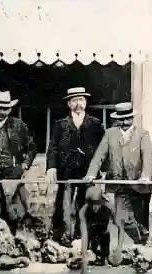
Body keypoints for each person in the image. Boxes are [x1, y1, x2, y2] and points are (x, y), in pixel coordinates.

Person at [85, 102, 152, 245]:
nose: (124, 122)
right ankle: (123, 249)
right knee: (120, 218)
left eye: (128, 119)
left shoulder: (142, 134)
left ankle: (143, 251)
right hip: (117, 184)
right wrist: (91, 173)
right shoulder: (110, 134)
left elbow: (148, 156)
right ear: (116, 119)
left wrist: (146, 175)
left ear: (132, 118)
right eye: (121, 119)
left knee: (140, 219)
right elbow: (99, 156)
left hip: (139, 184)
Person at [46, 87, 105, 244]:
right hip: (67, 174)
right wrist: (51, 167)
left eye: (81, 100)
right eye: (74, 100)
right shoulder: (60, 125)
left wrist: (103, 170)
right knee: (63, 207)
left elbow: (103, 149)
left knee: (87, 206)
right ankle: (61, 239)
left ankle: (86, 240)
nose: (78, 104)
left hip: (88, 174)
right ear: (69, 104)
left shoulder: (96, 124)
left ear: (85, 102)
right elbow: (52, 148)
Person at [0, 90, 37, 233]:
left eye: (5, 109)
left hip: (11, 173)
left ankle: (11, 240)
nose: (1, 112)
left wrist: (25, 164)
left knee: (11, 210)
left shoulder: (19, 126)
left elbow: (31, 147)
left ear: (10, 109)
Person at [79, 185, 123, 271]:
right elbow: (84, 235)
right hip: (91, 228)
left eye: (98, 204)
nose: (95, 207)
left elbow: (121, 228)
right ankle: (92, 252)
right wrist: (84, 258)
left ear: (102, 202)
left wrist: (119, 249)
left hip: (104, 228)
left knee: (105, 235)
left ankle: (104, 257)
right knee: (90, 241)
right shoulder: (83, 211)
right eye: (93, 204)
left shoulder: (109, 207)